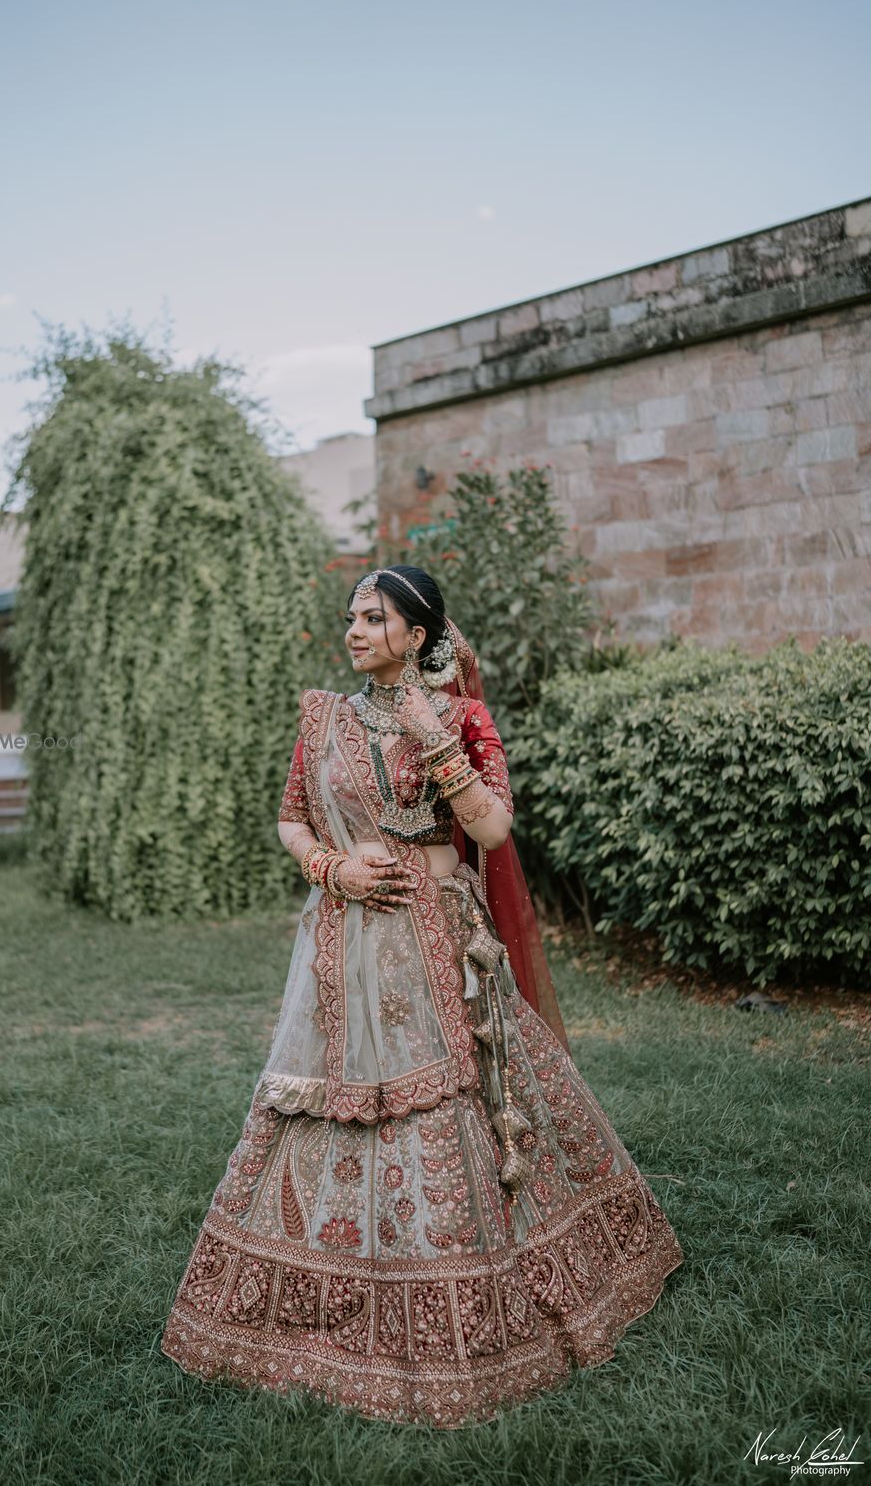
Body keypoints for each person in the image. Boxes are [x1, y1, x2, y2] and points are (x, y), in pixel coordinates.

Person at [161, 564, 684, 1428]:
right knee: (328, 1096)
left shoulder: (459, 715)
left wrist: (430, 737)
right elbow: (291, 815)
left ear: (417, 634)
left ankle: (464, 1284)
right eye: (351, 616)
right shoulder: (321, 719)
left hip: (436, 936)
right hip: (344, 939)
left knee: (457, 1095)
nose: (356, 630)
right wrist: (332, 866)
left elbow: (491, 829)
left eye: (376, 618)